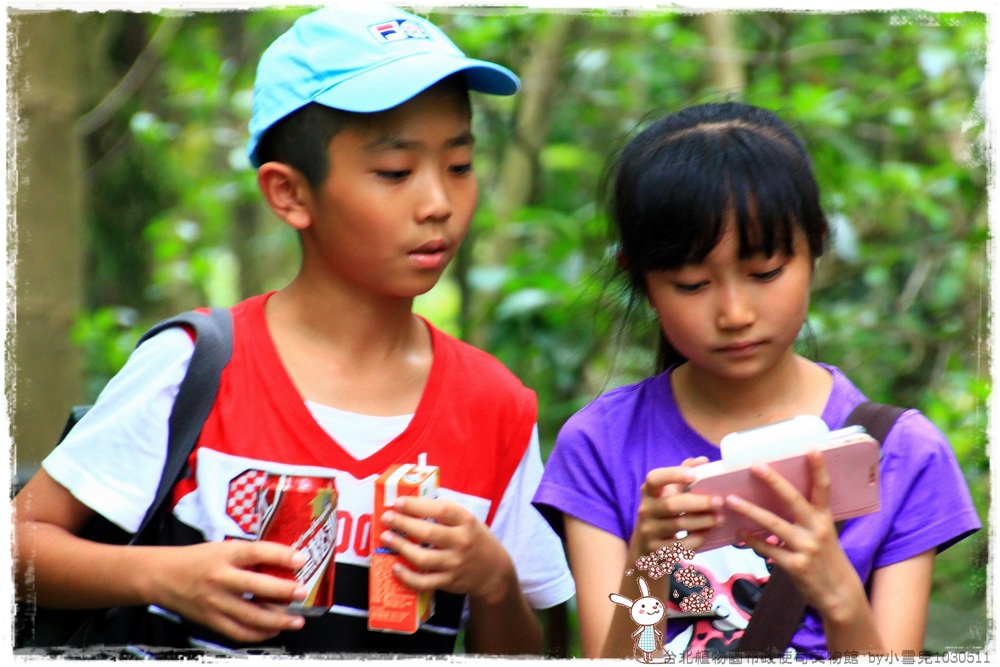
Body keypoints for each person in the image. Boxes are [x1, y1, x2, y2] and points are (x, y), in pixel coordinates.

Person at [13, 4, 574, 656]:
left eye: (459, 164)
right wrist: (161, 574)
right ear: (289, 194)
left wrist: (495, 580)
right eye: (395, 172)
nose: (439, 203)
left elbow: (539, 644)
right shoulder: (196, 367)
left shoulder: (494, 407)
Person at [532, 102, 981, 660]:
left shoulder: (901, 454)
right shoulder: (601, 444)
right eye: (692, 283)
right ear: (641, 281)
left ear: (816, 245)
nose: (735, 313)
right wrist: (648, 565)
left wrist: (837, 593)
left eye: (765, 273)